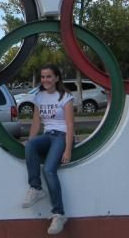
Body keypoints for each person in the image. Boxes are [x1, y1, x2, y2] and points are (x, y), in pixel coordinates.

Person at [22, 64, 75, 235]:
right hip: (48, 135)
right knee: (30, 145)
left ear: (57, 78)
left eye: (49, 76)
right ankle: (36, 189)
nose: (45, 80)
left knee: (50, 170)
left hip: (62, 136)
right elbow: (37, 123)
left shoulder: (65, 96)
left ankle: (59, 214)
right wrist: (31, 142)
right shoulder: (39, 97)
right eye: (43, 77)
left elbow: (69, 124)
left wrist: (68, 150)